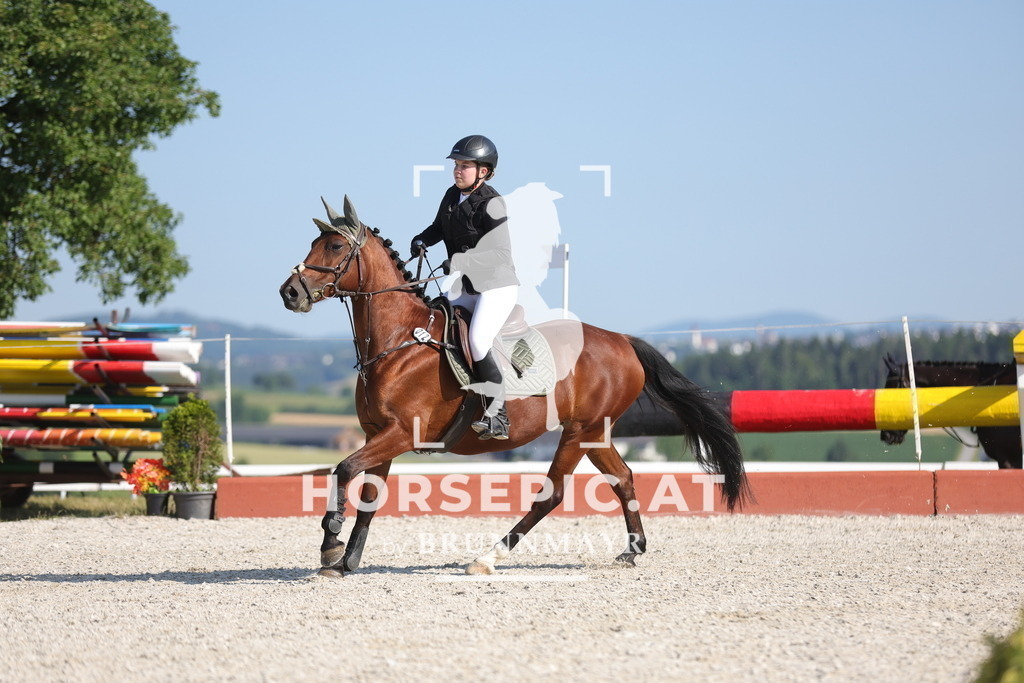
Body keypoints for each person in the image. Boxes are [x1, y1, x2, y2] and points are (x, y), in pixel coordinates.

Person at [411, 135, 519, 440]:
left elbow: (500, 253)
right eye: (456, 165)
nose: (457, 170)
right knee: (433, 323)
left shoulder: (493, 203)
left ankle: (498, 414)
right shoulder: (450, 195)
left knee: (478, 339)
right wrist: (422, 240)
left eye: (464, 166)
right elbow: (437, 229)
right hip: (464, 284)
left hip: (495, 285)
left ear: (483, 171)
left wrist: (459, 261)